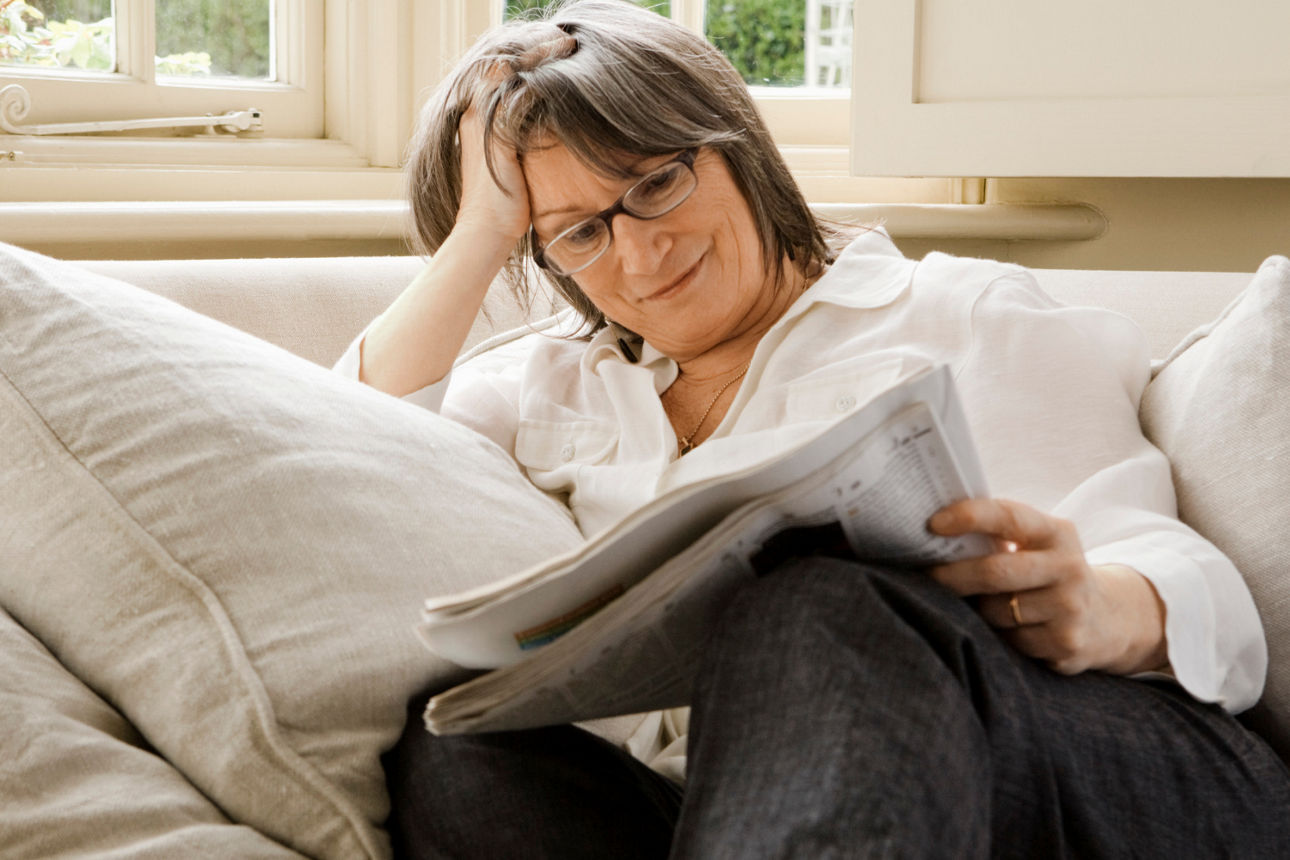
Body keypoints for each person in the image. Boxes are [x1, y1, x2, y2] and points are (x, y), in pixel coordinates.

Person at [334, 1, 1290, 856]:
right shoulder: (534, 388)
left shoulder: (957, 311)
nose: (639, 249)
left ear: (735, 146)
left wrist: (1106, 603)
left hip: (1077, 761)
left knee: (818, 607)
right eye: (579, 232)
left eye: (655, 182)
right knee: (451, 739)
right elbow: (341, 466)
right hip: (717, 804)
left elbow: (1208, 600)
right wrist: (480, 234)